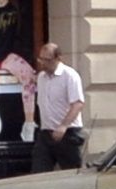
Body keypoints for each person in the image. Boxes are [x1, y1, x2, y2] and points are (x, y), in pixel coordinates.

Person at [30, 39, 87, 171]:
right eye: (41, 59)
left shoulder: (70, 76)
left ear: (58, 58)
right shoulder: (41, 77)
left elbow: (78, 103)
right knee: (39, 171)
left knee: (70, 172)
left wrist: (63, 126)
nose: (43, 64)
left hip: (67, 133)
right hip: (46, 132)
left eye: (47, 60)